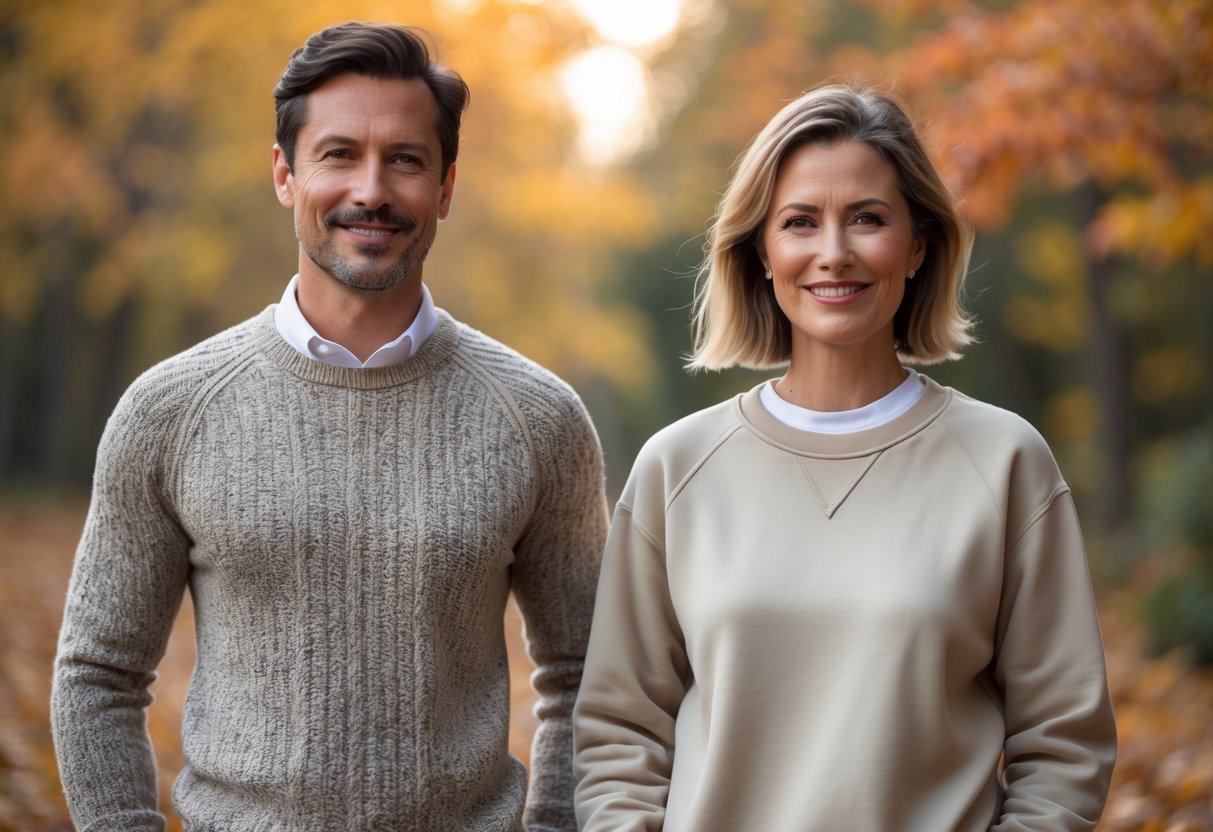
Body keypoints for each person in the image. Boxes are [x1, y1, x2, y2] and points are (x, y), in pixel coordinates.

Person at [51, 22, 607, 832]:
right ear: (285, 174)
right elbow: (98, 675)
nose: (371, 190)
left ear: (445, 187)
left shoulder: (537, 418)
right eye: (339, 154)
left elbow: (586, 675)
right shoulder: (169, 411)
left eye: (405, 160)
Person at [572, 84, 1116, 831]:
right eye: (799, 222)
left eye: (866, 218)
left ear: (917, 244)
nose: (833, 253)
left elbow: (1063, 742)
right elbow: (616, 733)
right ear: (761, 251)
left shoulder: (1003, 462)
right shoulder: (677, 467)